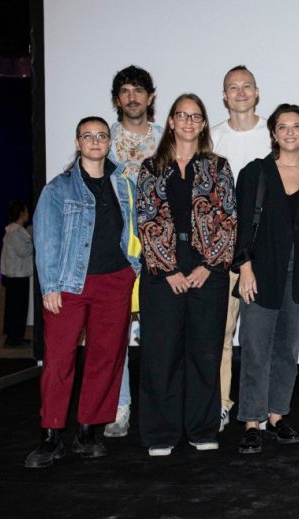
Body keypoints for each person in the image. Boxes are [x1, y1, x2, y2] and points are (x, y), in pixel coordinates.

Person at [25, 117, 141, 468]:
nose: (95, 141)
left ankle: (88, 432)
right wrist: (50, 286)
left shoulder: (125, 184)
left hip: (114, 283)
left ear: (109, 143)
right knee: (58, 361)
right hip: (69, 285)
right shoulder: (58, 189)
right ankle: (50, 437)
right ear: (77, 143)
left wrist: (132, 269)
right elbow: (45, 239)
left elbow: (135, 229)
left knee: (105, 359)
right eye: (87, 136)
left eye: (101, 136)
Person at [136, 94, 236, 456]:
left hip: (208, 271)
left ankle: (202, 428)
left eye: (196, 117)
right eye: (182, 116)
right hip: (162, 273)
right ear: (172, 122)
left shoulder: (218, 167)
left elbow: (228, 219)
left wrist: (208, 266)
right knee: (161, 353)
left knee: (205, 352)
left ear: (204, 123)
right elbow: (145, 218)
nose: (189, 122)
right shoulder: (151, 167)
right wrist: (169, 269)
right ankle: (161, 433)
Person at [233, 104, 299, 454]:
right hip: (261, 274)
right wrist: (244, 267)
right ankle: (251, 422)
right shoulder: (255, 173)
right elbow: (241, 224)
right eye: (283, 126)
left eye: (297, 126)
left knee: (287, 351)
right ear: (273, 133)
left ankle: (276, 416)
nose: (290, 132)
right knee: (255, 349)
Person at [210, 65, 271, 432]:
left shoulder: (273, 134)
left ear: (257, 92)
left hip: (266, 252)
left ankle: (257, 407)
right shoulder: (212, 138)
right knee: (221, 332)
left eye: (247, 86)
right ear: (224, 96)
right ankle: (221, 403)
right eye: (233, 87)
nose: (241, 92)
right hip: (223, 253)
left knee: (259, 336)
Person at [104, 64, 163, 438]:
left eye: (138, 90)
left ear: (150, 97)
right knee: (116, 334)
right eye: (125, 91)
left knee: (161, 334)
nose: (132, 97)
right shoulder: (104, 140)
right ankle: (119, 407)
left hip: (160, 248)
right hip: (116, 248)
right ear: (116, 100)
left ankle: (160, 410)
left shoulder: (167, 138)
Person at [0, 199, 33, 347]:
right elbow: (23, 251)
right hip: (17, 276)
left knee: (17, 308)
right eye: (26, 211)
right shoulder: (15, 232)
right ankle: (14, 338)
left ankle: (16, 336)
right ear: (21, 214)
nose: (28, 214)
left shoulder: (16, 230)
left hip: (18, 275)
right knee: (17, 308)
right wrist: (34, 242)